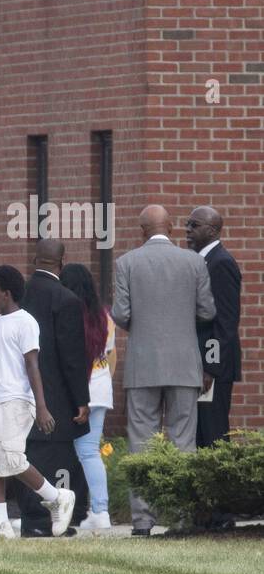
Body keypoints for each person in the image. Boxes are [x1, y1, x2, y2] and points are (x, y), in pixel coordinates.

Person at [113, 205, 216, 535]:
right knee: (183, 441)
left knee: (140, 443)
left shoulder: (126, 263)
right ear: (171, 228)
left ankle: (143, 522)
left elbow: (121, 315)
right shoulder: (194, 261)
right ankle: (182, 515)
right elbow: (207, 310)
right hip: (185, 362)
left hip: (143, 363)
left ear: (142, 229)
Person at [0, 267, 76, 540]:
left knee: (13, 460)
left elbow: (32, 365)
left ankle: (57, 497)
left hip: (16, 401)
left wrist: (41, 406)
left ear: (6, 294)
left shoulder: (25, 321)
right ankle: (0, 526)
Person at [16, 238, 90, 538]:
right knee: (58, 460)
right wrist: (81, 400)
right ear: (62, 262)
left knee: (27, 457)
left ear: (35, 260)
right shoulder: (66, 299)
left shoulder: (18, 296)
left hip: (18, 392)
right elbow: (71, 358)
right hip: (55, 396)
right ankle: (50, 522)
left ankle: (30, 519)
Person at [61, 263, 115, 531]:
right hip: (102, 387)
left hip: (79, 389)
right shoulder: (105, 316)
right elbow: (109, 354)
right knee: (90, 451)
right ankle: (99, 510)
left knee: (80, 451)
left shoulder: (69, 313)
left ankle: (98, 510)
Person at [188, 206, 242, 450]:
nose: (187, 230)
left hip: (213, 370)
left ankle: (220, 488)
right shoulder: (202, 260)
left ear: (212, 230)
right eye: (188, 224)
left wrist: (210, 367)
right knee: (199, 431)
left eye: (194, 225)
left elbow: (225, 322)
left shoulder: (221, 263)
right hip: (201, 365)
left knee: (213, 433)